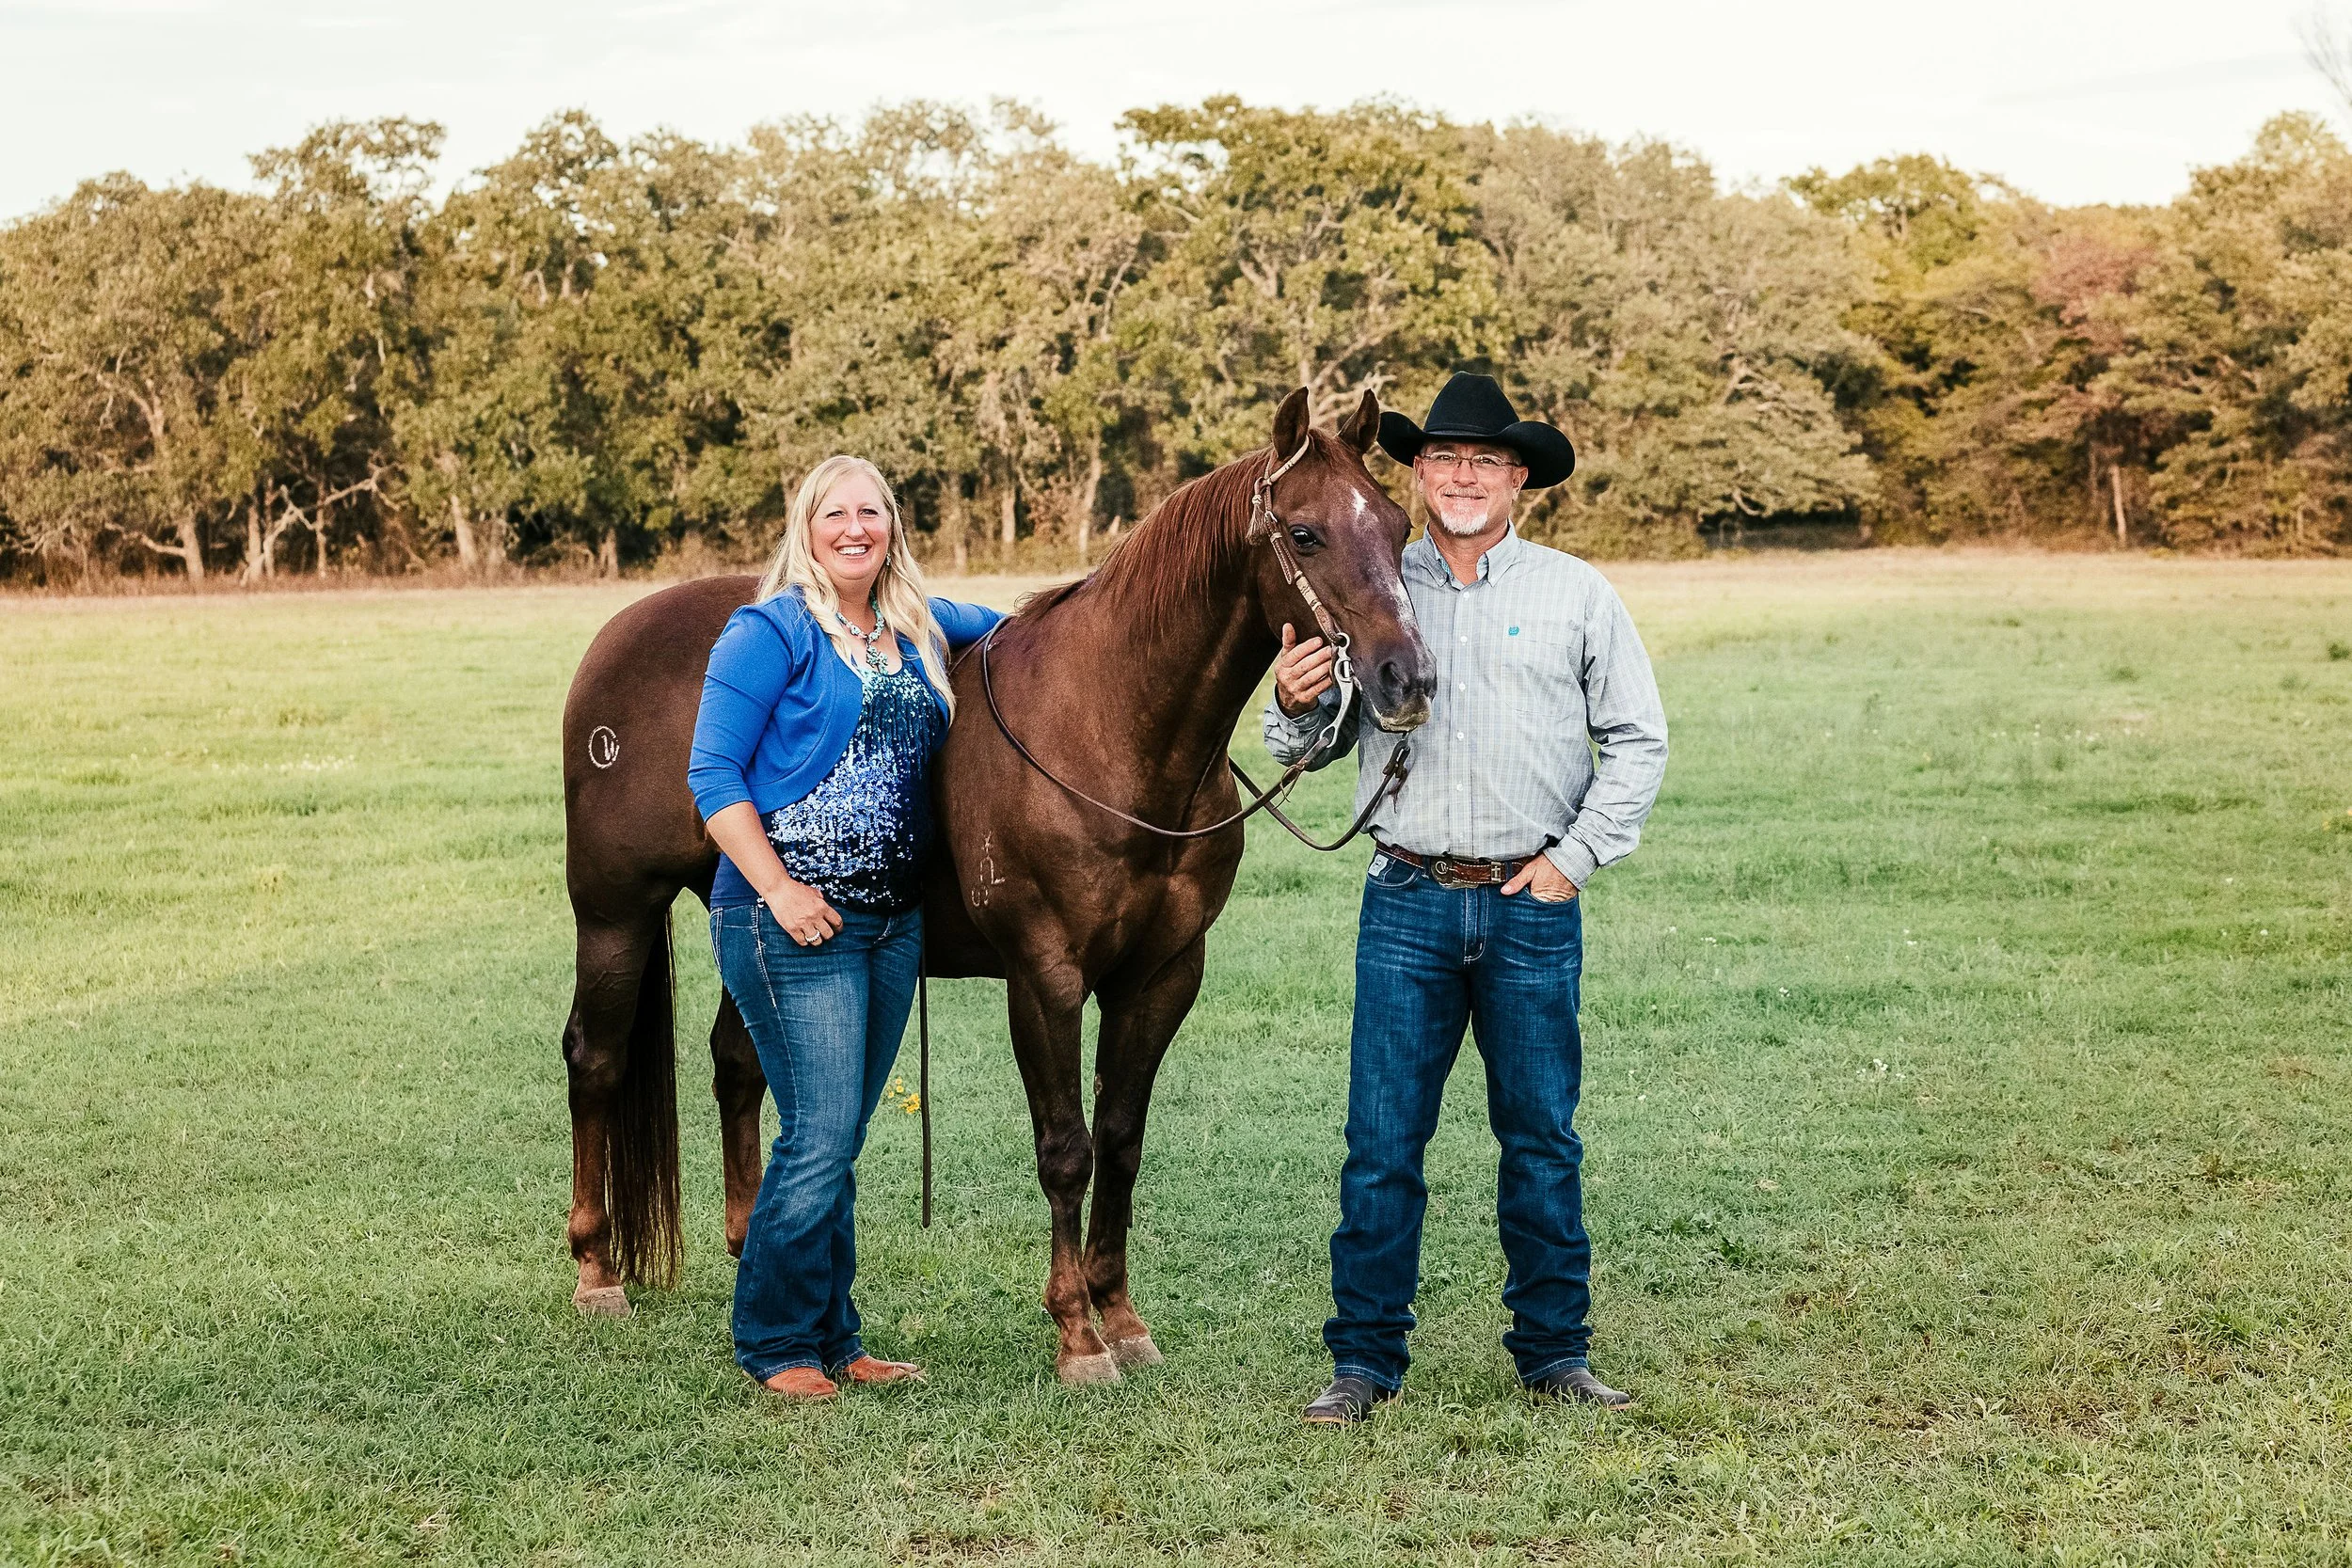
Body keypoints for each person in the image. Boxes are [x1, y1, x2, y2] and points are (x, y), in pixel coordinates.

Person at [1264, 374, 1669, 1423]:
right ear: (1416, 473)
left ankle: (1554, 1352)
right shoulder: (1369, 579)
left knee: (1540, 1138)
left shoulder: (1576, 593)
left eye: (1483, 460)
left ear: (1518, 477)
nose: (1460, 475)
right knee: (1382, 1142)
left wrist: (1575, 857)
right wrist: (1293, 704)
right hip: (1406, 895)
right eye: (1441, 458)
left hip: (1531, 899)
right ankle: (1362, 1363)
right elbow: (1315, 750)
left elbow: (1636, 739)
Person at [687, 455, 1002, 1402]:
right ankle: (774, 1340)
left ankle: (838, 1336)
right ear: (806, 525)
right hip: (792, 922)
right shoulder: (768, 631)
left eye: (872, 510)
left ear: (893, 526)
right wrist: (780, 887)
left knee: (838, 1135)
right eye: (836, 512)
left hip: (890, 925)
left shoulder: (917, 625)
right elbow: (713, 778)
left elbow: (1034, 631)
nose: (854, 526)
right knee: (818, 1135)